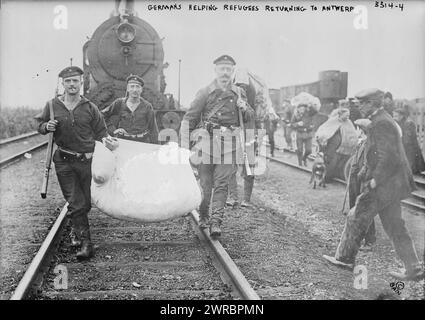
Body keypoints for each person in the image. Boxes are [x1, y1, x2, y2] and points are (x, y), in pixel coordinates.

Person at [323, 88, 423, 282]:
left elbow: (388, 156)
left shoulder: (381, 123)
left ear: (372, 103)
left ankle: (344, 258)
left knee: (356, 215)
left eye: (362, 103)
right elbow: (376, 153)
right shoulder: (382, 120)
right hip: (393, 184)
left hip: (384, 184)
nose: (359, 106)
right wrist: (364, 171)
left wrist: (375, 179)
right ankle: (414, 269)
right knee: (395, 225)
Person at [35, 66, 118, 260]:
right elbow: (39, 124)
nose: (72, 84)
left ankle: (76, 229)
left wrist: (108, 141)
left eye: (75, 81)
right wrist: (46, 126)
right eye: (68, 81)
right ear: (62, 84)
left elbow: (101, 132)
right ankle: (85, 244)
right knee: (76, 202)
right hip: (64, 161)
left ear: (81, 83)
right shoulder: (52, 105)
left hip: (88, 162)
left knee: (86, 202)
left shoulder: (90, 107)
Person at [180, 55, 254, 238]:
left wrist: (244, 108)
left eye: (229, 69)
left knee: (222, 184)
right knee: (206, 186)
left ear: (232, 72)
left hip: (229, 144)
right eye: (222, 69)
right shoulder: (205, 91)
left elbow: (251, 116)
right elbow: (189, 118)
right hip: (206, 144)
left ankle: (216, 222)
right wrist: (183, 146)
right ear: (215, 71)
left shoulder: (239, 92)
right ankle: (204, 214)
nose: (225, 73)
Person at [227, 69, 278, 208]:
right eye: (239, 87)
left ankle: (246, 200)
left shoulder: (251, 103)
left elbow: (252, 117)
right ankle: (232, 197)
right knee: (230, 168)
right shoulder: (229, 99)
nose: (241, 90)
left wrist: (244, 108)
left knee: (249, 168)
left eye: (244, 87)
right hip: (233, 136)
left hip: (249, 136)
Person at [101, 75, 159, 144]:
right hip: (122, 142)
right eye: (132, 86)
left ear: (141, 90)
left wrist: (156, 148)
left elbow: (153, 129)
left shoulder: (147, 106)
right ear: (128, 89)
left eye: (137, 87)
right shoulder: (119, 103)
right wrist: (113, 130)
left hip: (141, 143)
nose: (135, 90)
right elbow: (102, 115)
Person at [348, 119, 376, 251]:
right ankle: (358, 238)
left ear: (362, 130)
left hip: (363, 181)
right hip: (356, 179)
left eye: (357, 128)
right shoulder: (362, 143)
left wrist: (359, 177)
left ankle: (369, 241)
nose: (356, 131)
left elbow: (367, 165)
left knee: (364, 209)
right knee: (356, 208)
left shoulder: (369, 144)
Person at [316, 107, 358, 181]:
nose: (347, 117)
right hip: (332, 147)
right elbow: (324, 131)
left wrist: (354, 142)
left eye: (348, 116)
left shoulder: (348, 122)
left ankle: (334, 175)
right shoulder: (333, 121)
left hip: (343, 147)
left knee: (339, 162)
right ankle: (326, 177)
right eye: (346, 115)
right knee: (330, 161)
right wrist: (323, 140)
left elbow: (352, 134)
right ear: (340, 114)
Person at [393, 106, 425, 174]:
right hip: (404, 146)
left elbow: (408, 138)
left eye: (396, 116)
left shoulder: (409, 123)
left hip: (410, 147)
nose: (394, 118)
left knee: (410, 166)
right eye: (393, 116)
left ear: (401, 116)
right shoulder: (399, 123)